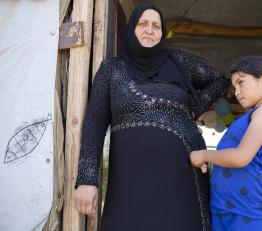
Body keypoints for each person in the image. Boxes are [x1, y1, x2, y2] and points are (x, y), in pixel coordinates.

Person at [74, 3, 228, 231]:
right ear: (131, 29)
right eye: (143, 24)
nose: (150, 30)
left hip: (183, 174)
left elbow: (220, 80)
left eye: (156, 26)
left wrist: (193, 107)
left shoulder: (179, 62)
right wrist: (87, 179)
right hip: (129, 180)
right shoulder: (112, 69)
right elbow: (94, 124)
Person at [190, 56, 262, 231]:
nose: (236, 92)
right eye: (234, 86)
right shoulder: (249, 116)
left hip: (248, 213)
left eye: (241, 83)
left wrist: (203, 155)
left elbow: (240, 157)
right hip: (224, 209)